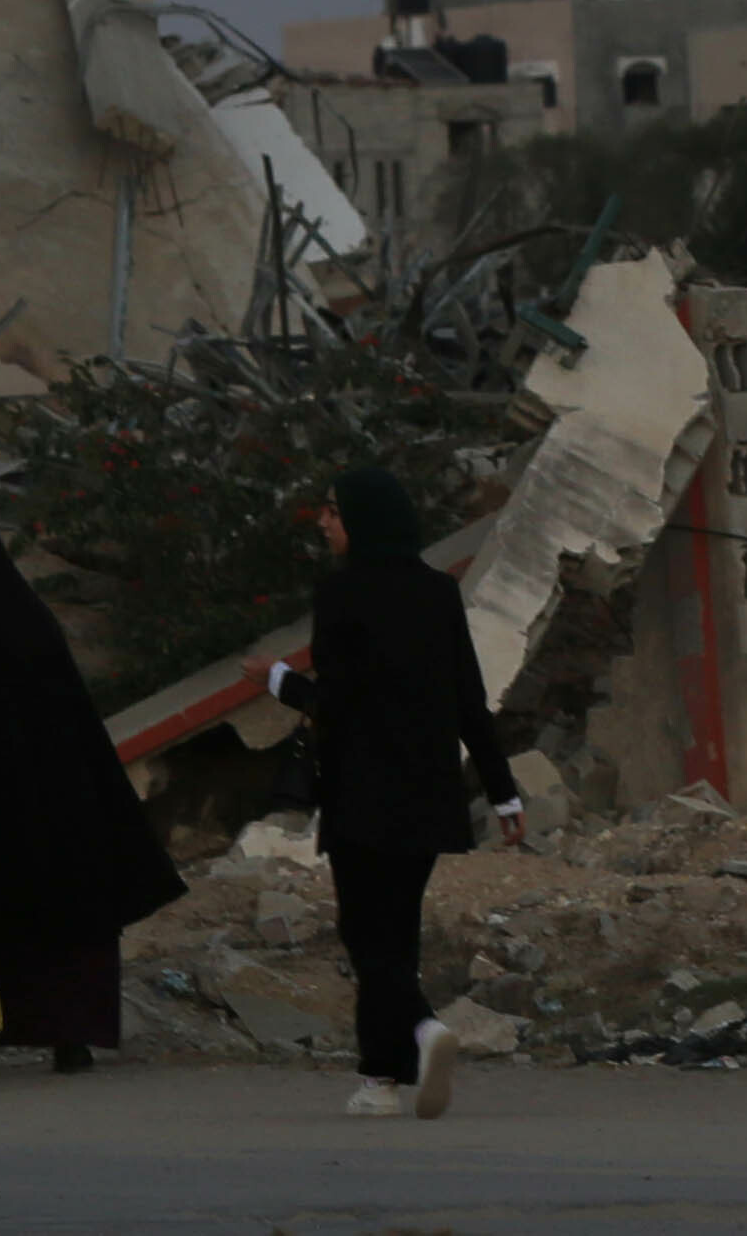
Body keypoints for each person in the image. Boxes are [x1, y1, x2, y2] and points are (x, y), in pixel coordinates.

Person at [243, 465, 523, 1121]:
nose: (324, 520)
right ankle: (382, 1079)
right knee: (393, 933)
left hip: (362, 794)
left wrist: (280, 679)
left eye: (334, 510)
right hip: (427, 795)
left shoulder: (342, 595)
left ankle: (422, 1035)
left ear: (365, 518)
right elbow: (469, 702)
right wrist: (505, 793)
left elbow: (334, 702)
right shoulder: (437, 593)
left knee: (367, 934)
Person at [0, 521, 187, 1074]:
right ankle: (70, 1038)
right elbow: (73, 716)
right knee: (62, 919)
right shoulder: (34, 621)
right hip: (59, 806)